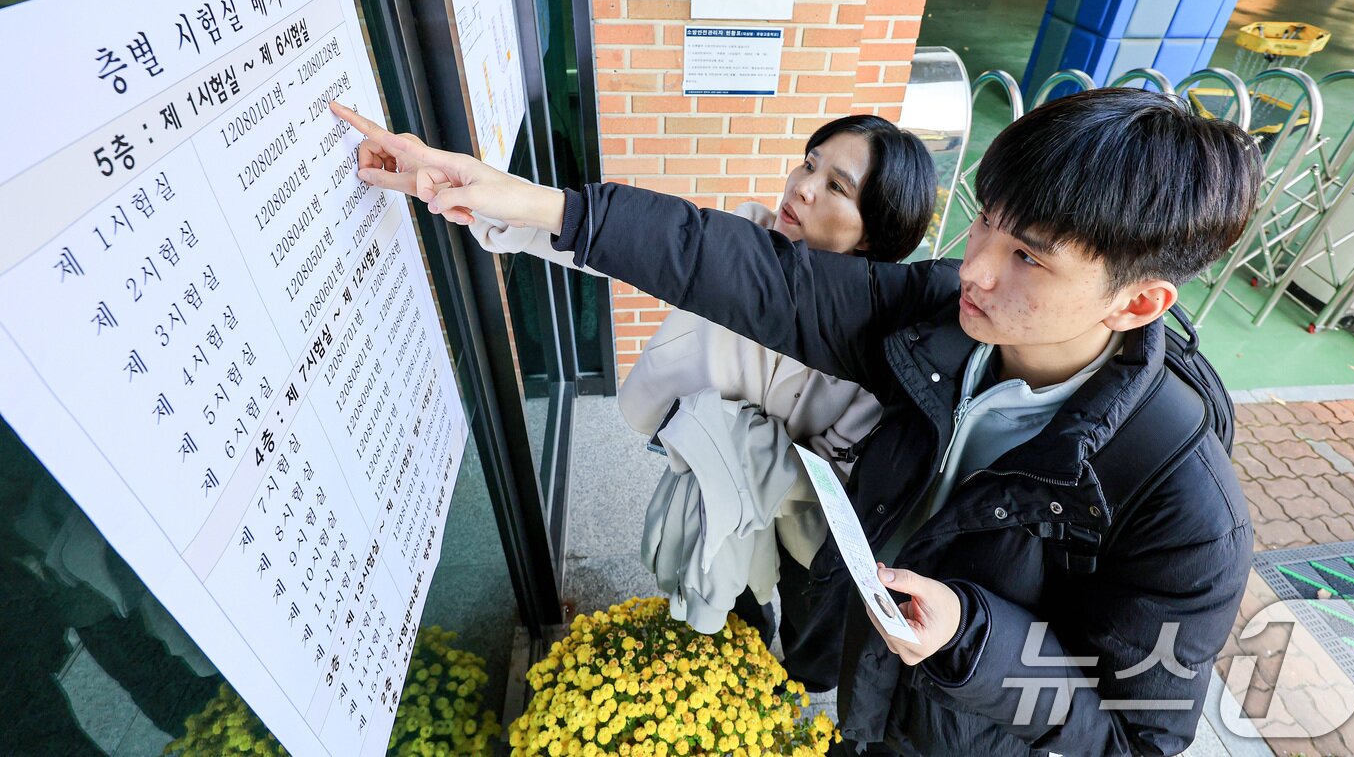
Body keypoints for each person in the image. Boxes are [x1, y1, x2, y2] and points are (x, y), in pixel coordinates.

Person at [330, 88, 1262, 756]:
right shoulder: (943, 313)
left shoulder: (1185, 510)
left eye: (1027, 256)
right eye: (985, 223)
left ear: (1137, 304)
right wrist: (517, 200)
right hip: (864, 691)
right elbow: (741, 270)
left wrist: (975, 641)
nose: (976, 266)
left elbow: (1139, 734)